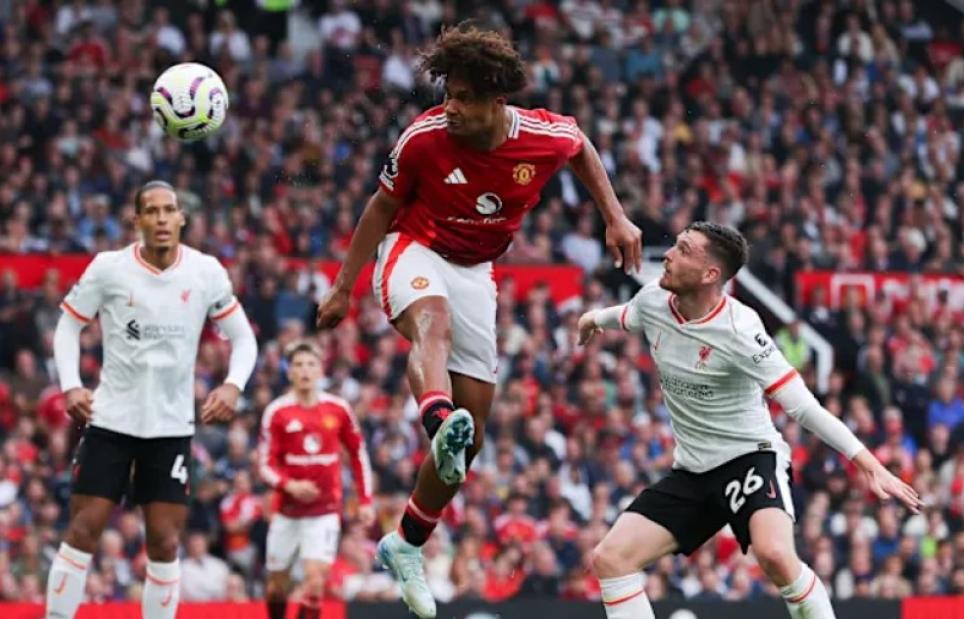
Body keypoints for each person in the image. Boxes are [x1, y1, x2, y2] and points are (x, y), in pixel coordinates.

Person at [315, 23, 641, 618]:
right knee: (432, 324)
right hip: (413, 249)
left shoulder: (540, 135)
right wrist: (343, 287)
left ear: (497, 100)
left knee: (474, 440)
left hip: (475, 271)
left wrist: (615, 217)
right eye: (448, 95)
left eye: (464, 98)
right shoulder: (423, 138)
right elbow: (381, 206)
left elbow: (580, 147)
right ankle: (437, 417)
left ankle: (405, 543)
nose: (451, 107)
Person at [577, 222, 922, 619]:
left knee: (774, 554)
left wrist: (869, 465)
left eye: (683, 250)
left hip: (749, 458)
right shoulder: (654, 300)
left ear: (710, 274)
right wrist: (592, 318)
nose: (668, 254)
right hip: (693, 471)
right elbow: (627, 315)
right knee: (610, 559)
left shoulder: (740, 330)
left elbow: (803, 407)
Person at [45, 180, 258, 619]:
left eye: (168, 210)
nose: (161, 219)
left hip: (170, 428)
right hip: (111, 422)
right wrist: (71, 384)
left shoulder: (205, 272)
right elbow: (68, 326)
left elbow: (244, 338)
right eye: (152, 211)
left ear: (181, 218)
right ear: (137, 220)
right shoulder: (109, 268)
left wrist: (233, 385)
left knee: (164, 542)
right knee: (83, 530)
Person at [258, 340, 375, 619]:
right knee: (276, 587)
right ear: (289, 372)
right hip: (287, 511)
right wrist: (290, 485)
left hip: (324, 511)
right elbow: (264, 464)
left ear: (321, 370)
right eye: (298, 365)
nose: (305, 370)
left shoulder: (338, 409)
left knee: (315, 582)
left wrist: (365, 500)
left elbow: (358, 454)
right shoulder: (277, 412)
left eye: (311, 364)